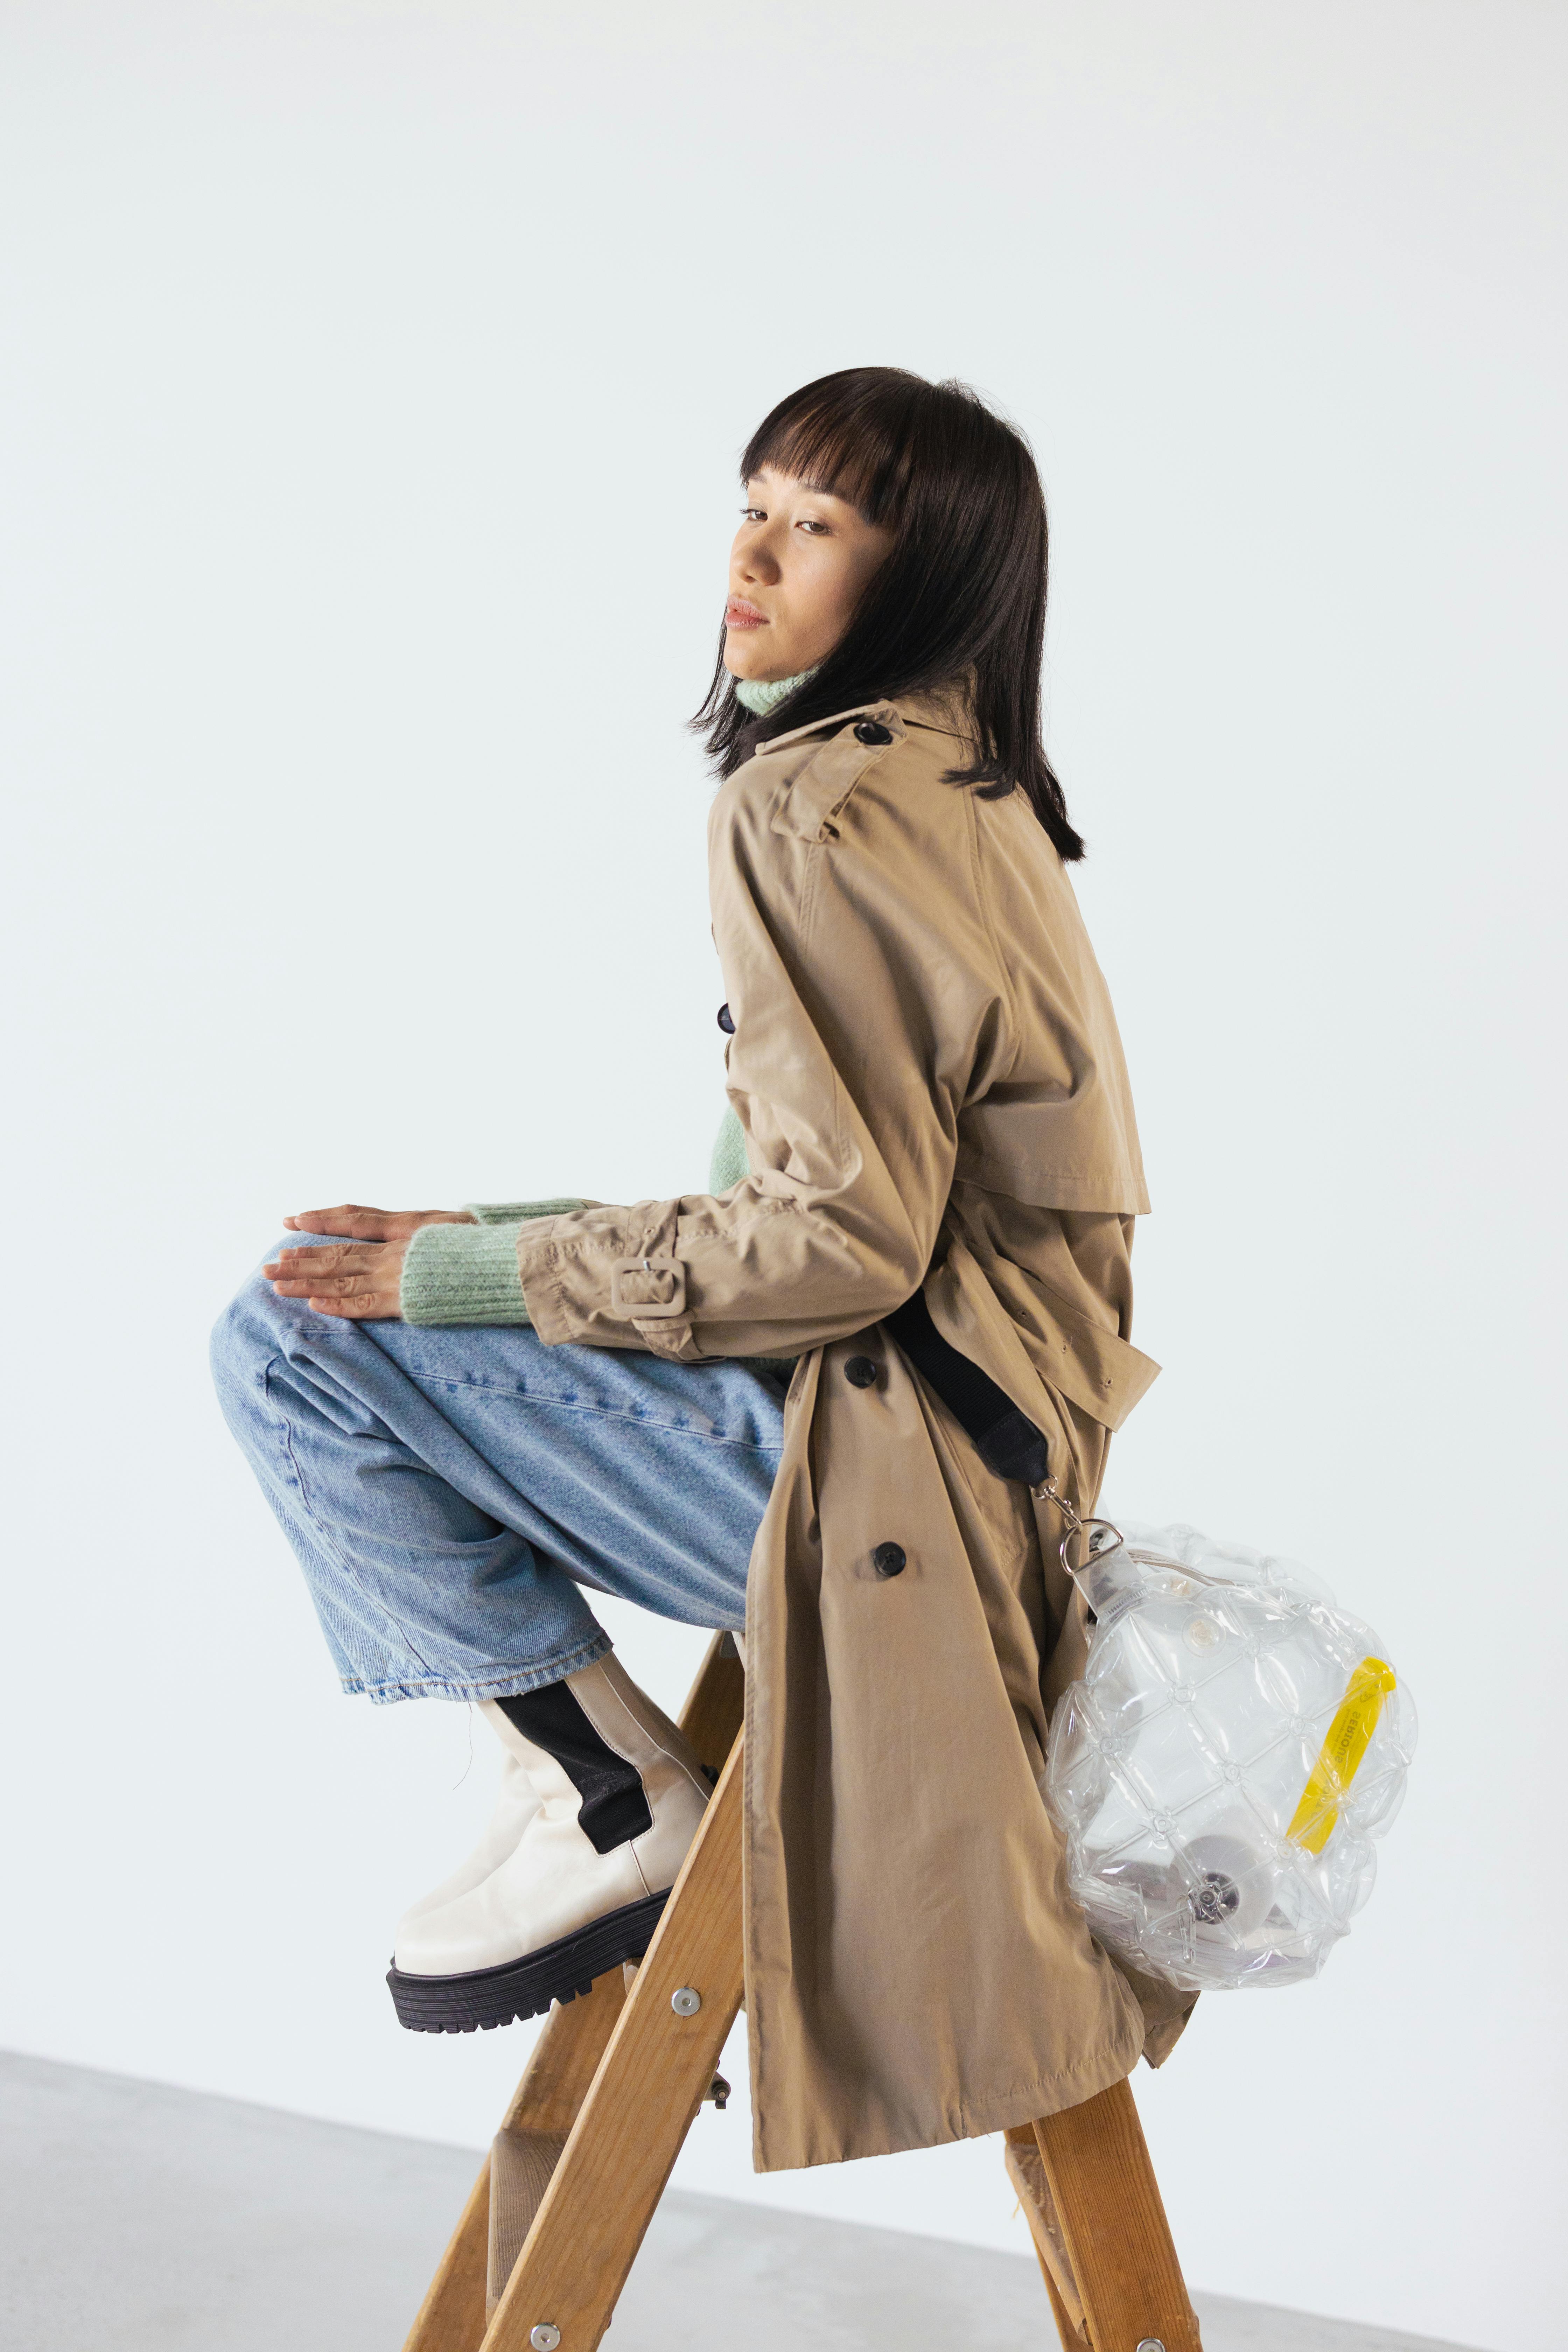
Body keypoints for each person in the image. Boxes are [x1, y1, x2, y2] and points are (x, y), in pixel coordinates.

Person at [212, 367, 1189, 2170]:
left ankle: (602, 1792)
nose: (748, 553)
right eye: (749, 505)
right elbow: (832, 1212)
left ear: (924, 572)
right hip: (989, 1460)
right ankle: (588, 1783)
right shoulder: (975, 796)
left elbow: (840, 1242)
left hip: (891, 1485)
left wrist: (464, 1281)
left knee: (285, 1343)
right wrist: (481, 1251)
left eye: (815, 525)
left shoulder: (815, 804)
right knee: (367, 1298)